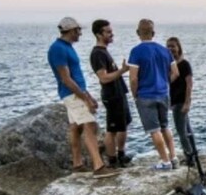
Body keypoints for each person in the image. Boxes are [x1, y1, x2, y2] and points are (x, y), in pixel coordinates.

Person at [46, 17, 120, 178]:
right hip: (72, 94)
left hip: (75, 92)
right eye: (78, 30)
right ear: (71, 30)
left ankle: (77, 164)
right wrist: (84, 98)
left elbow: (75, 76)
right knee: (89, 125)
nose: (80, 33)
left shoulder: (66, 47)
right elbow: (66, 78)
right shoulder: (58, 49)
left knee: (76, 127)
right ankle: (98, 167)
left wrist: (88, 95)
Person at [128, 19, 179, 170]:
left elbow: (133, 78)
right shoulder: (165, 51)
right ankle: (173, 157)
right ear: (153, 33)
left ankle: (165, 161)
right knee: (165, 126)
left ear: (138, 33)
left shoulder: (136, 51)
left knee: (154, 130)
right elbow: (176, 72)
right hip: (163, 93)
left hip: (145, 94)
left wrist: (135, 94)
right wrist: (165, 82)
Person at [90, 19, 133, 168]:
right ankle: (112, 160)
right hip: (112, 95)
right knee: (112, 128)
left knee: (123, 125)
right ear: (99, 34)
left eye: (110, 31)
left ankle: (121, 154)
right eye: (108, 32)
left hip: (119, 93)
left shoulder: (104, 52)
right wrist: (122, 71)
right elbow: (103, 77)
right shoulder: (97, 54)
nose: (111, 34)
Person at [166, 37, 194, 163]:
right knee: (187, 129)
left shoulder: (184, 64)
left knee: (182, 131)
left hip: (181, 101)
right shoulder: (170, 65)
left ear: (179, 48)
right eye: (168, 46)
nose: (171, 49)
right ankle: (193, 153)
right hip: (174, 101)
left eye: (173, 46)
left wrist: (187, 102)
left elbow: (189, 83)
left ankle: (189, 156)